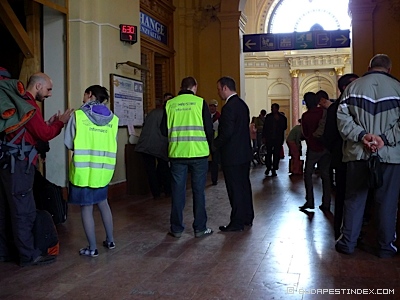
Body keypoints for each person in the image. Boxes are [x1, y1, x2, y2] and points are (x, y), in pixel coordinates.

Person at [0, 72, 73, 266]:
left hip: (8, 163)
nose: (49, 94)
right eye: (48, 89)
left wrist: (48, 122)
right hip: (20, 165)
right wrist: (60, 123)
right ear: (38, 86)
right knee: (23, 210)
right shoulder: (28, 105)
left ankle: (5, 252)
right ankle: (28, 255)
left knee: (7, 208)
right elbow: (44, 134)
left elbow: (30, 130)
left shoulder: (19, 104)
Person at [336, 54, 400, 258]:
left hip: (357, 154)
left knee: (354, 199)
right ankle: (385, 247)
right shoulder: (397, 88)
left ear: (369, 66)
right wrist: (383, 139)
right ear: (389, 69)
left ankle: (348, 243)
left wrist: (363, 136)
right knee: (387, 202)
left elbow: (343, 121)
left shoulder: (352, 88)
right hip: (389, 156)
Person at [64, 85, 118, 257]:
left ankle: (92, 248)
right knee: (103, 203)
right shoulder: (113, 119)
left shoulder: (78, 116)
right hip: (103, 171)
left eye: (84, 94)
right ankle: (110, 241)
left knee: (86, 208)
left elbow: (69, 143)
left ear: (91, 95)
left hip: (83, 172)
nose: (82, 99)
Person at [160, 76, 213, 238]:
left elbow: (163, 130)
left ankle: (176, 228)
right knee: (198, 191)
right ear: (194, 87)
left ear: (181, 87)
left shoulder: (170, 104)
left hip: (177, 154)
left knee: (177, 192)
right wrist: (212, 148)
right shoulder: (200, 103)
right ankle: (200, 228)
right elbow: (209, 129)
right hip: (199, 153)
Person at [213, 76, 254, 232]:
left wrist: (214, 145)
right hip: (244, 154)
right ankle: (247, 217)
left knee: (235, 188)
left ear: (225, 88)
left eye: (218, 89)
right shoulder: (242, 105)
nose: (218, 93)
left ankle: (237, 222)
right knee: (244, 186)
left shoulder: (228, 107)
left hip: (232, 155)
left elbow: (227, 132)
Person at [323, 73, 359, 240]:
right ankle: (341, 232)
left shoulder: (359, 105)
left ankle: (355, 231)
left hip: (359, 159)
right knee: (343, 196)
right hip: (344, 160)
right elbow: (328, 137)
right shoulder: (336, 108)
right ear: (345, 87)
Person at [299, 92, 331, 212]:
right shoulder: (324, 112)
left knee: (308, 174)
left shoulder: (306, 116)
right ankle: (326, 202)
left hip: (313, 148)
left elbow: (305, 134)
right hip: (325, 148)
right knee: (325, 176)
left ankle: (310, 201)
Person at [135, 95, 171, 198]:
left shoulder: (153, 112)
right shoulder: (167, 114)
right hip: (159, 145)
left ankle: (156, 193)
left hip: (144, 145)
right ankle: (167, 191)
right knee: (164, 168)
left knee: (150, 171)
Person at [262, 103, 287, 176]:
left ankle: (274, 169)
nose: (273, 109)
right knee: (268, 153)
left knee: (276, 154)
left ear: (277, 109)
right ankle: (268, 167)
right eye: (272, 108)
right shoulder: (268, 117)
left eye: (274, 108)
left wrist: (278, 121)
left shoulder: (282, 118)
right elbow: (265, 127)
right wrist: (264, 137)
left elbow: (284, 127)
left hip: (278, 139)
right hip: (269, 138)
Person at [208, 99, 221, 185]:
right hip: (207, 140)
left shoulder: (219, 117)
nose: (212, 108)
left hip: (215, 141)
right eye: (211, 106)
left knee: (215, 162)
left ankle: (214, 179)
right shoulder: (206, 116)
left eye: (214, 106)